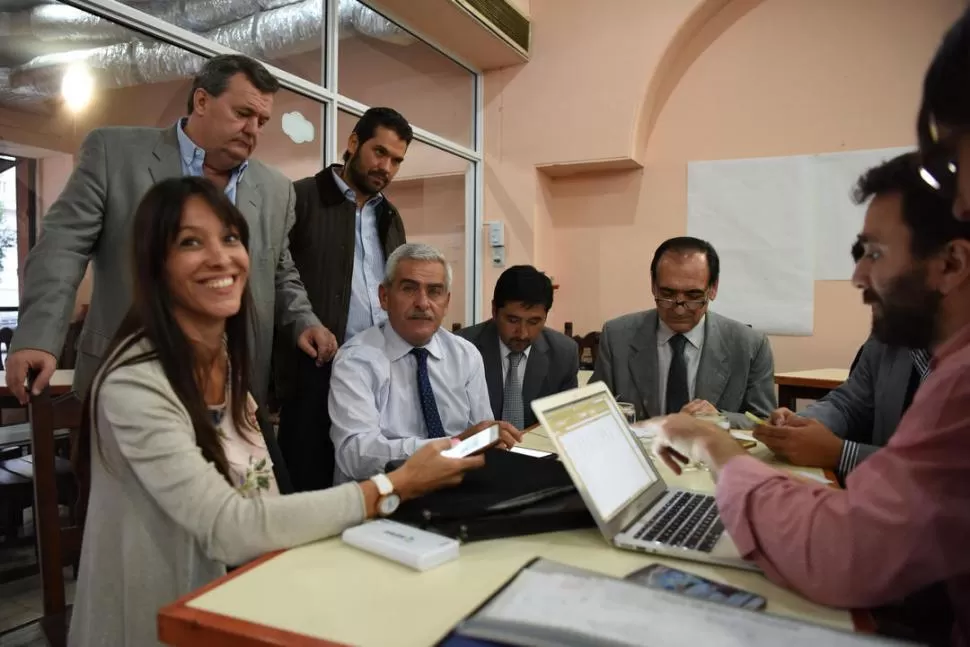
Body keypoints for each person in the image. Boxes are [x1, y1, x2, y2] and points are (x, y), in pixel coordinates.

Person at [67, 177, 481, 647]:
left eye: (230, 238)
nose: (220, 257)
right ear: (153, 266)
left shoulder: (225, 362)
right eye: (190, 242)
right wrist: (394, 484)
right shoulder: (134, 383)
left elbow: (261, 496)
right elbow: (229, 526)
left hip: (248, 590)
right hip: (166, 616)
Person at [650, 152, 970, 646]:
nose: (859, 277)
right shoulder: (893, 340)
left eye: (876, 253)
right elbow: (851, 401)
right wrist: (800, 424)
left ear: (951, 263)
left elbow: (846, 550)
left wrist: (717, 447)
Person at [5, 54, 335, 413]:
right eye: (242, 114)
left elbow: (279, 270)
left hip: (232, 390)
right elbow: (62, 247)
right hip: (129, 384)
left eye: (262, 120)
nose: (253, 129)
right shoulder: (114, 155)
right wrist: (38, 337)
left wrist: (304, 321)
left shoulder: (276, 189)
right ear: (202, 101)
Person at [275, 107, 412, 491]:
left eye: (397, 160)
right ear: (352, 143)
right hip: (315, 374)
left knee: (370, 486)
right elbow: (276, 279)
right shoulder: (300, 198)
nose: (386, 167)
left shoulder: (390, 216)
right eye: (379, 152)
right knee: (308, 485)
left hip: (377, 374)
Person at [329, 243, 522, 483]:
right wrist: (453, 445)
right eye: (409, 289)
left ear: (446, 301)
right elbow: (354, 455)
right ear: (384, 297)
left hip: (455, 494)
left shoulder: (465, 355)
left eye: (434, 291)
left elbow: (482, 439)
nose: (422, 303)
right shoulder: (355, 360)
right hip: (384, 498)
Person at [590, 236, 775, 429]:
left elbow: (765, 421)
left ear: (713, 289)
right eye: (667, 295)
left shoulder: (749, 345)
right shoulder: (617, 337)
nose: (679, 308)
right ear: (653, 286)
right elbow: (592, 415)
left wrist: (719, 419)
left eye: (693, 296)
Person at [756, 337, 930, 480]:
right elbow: (847, 404)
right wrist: (796, 425)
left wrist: (839, 454)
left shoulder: (955, 364)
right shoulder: (887, 338)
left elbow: (939, 470)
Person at [457, 265, 579, 430]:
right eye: (513, 320)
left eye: (534, 322)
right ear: (494, 310)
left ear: (546, 316)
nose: (522, 333)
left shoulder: (564, 353)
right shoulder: (462, 349)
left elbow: (567, 424)